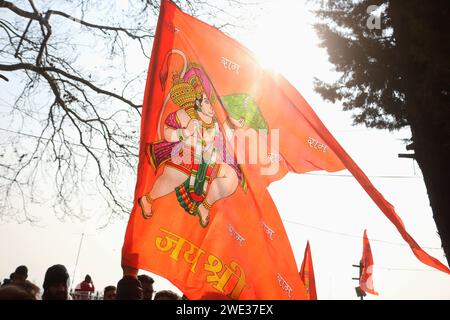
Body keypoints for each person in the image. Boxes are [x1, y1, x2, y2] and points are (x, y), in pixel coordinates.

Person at [138, 65, 245, 228]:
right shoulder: (186, 114)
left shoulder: (217, 123)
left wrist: (234, 124)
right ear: (199, 103)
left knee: (231, 178)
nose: (211, 107)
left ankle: (205, 206)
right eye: (207, 103)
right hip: (186, 157)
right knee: (177, 175)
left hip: (209, 162)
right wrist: (184, 132)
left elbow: (226, 139)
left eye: (212, 104)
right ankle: (148, 199)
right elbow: (167, 132)